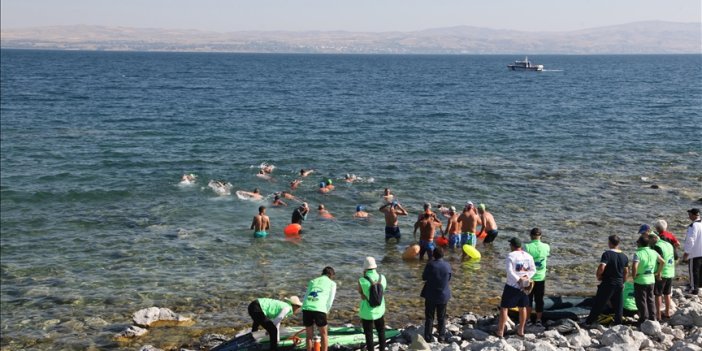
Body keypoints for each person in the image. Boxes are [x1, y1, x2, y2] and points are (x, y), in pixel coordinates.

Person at [585, 235, 629, 326]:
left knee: (599, 303)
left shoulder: (607, 254)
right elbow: (626, 271)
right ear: (618, 243)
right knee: (618, 304)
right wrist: (623, 282)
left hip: (608, 282)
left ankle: (589, 322)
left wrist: (598, 275)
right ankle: (618, 322)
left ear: (610, 243)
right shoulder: (624, 256)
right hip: (619, 282)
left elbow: (602, 267)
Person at [496, 237, 535, 337]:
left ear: (512, 246)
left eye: (510, 245)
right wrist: (526, 278)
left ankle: (500, 331)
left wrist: (519, 280)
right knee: (523, 308)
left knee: (504, 308)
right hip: (525, 286)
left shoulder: (511, 255)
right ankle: (521, 330)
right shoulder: (528, 256)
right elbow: (533, 270)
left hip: (512, 286)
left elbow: (510, 271)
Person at [421, 247, 452, 342]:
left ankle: (428, 337)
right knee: (441, 317)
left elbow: (424, 277)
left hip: (431, 295)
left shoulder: (430, 265)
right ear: (443, 255)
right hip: (443, 295)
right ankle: (441, 337)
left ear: (433, 255)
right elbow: (449, 278)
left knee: (429, 317)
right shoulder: (447, 265)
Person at [302, 267, 337, 351]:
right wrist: (326, 311)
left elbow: (306, 296)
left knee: (309, 335)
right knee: (324, 334)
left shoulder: (313, 281)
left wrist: (305, 307)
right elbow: (330, 300)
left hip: (306, 307)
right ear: (331, 275)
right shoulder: (332, 283)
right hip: (319, 309)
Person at [631, 234, 664, 323]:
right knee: (650, 299)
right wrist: (657, 272)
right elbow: (662, 262)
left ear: (640, 244)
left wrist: (634, 275)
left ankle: (643, 318)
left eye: (637, 242)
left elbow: (635, 265)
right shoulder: (653, 252)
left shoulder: (638, 253)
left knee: (641, 300)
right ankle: (653, 317)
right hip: (651, 279)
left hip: (640, 280)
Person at [357, 257, 386, 351]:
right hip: (380, 310)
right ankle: (382, 349)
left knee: (368, 334)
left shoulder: (362, 280)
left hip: (367, 312)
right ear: (375, 266)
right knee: (381, 331)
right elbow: (382, 291)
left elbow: (361, 294)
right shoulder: (382, 278)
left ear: (365, 267)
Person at [524, 228, 550, 325]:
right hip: (541, 277)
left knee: (528, 299)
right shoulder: (546, 246)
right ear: (540, 236)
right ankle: (539, 320)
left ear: (531, 236)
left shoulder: (527, 247)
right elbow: (546, 255)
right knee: (539, 299)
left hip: (530, 277)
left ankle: (528, 319)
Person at [649, 232, 675, 319]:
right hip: (670, 271)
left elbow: (660, 261)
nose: (649, 243)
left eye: (650, 240)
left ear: (654, 238)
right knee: (667, 293)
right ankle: (667, 313)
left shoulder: (657, 246)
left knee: (658, 294)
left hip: (662, 273)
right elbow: (674, 257)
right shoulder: (668, 244)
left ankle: (658, 315)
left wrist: (658, 273)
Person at [683, 208, 702, 295]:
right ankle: (699, 286)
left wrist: (686, 252)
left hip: (695, 252)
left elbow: (691, 240)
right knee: (700, 271)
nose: (689, 216)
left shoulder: (693, 225)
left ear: (694, 215)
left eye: (690, 214)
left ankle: (694, 289)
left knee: (694, 271)